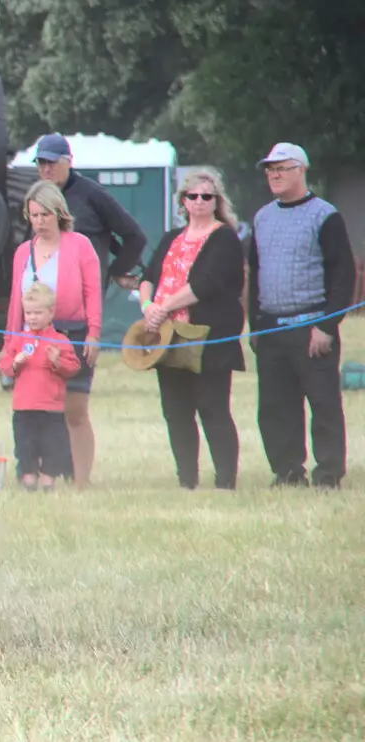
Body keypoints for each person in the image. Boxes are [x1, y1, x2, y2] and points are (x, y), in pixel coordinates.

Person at [246, 143, 355, 488]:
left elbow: (343, 275)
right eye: (270, 169)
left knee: (322, 403)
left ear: (301, 170)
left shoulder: (325, 215)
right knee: (276, 407)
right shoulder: (262, 217)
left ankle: (328, 475)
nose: (274, 174)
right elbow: (256, 272)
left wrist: (326, 326)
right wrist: (256, 325)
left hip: (311, 326)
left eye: (282, 167)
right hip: (272, 327)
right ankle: (288, 472)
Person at [137, 168, 246, 490]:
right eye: (192, 196)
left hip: (208, 339)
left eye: (206, 196)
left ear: (216, 201)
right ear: (182, 201)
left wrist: (163, 306)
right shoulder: (172, 237)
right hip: (168, 338)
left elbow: (205, 284)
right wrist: (148, 308)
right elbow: (147, 277)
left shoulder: (224, 237)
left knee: (213, 409)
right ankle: (187, 480)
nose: (198, 201)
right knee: (176, 412)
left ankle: (225, 481)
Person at [5, 180, 103, 488]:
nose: (39, 222)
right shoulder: (23, 252)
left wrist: (94, 333)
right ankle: (42, 474)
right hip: (31, 338)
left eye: (45, 215)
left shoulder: (80, 245)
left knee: (74, 410)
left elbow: (92, 291)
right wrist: (10, 343)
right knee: (37, 409)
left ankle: (81, 481)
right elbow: (15, 302)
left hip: (72, 333)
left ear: (59, 213)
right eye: (33, 216)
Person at [32, 134, 148, 292]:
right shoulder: (36, 197)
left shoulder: (91, 193)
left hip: (84, 293)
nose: (46, 169)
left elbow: (135, 236)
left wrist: (117, 270)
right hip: (45, 293)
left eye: (52, 162)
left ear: (69, 161)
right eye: (41, 162)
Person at [0, 282, 80, 490]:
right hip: (24, 407)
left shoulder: (60, 341)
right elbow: (4, 366)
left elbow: (73, 368)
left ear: (51, 313)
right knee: (25, 447)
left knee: (52, 447)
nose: (32, 317)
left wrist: (57, 362)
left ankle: (48, 481)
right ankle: (28, 479)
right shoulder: (19, 339)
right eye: (28, 313)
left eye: (38, 313)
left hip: (51, 408)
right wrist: (16, 363)